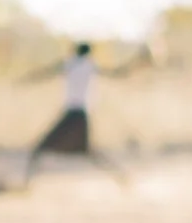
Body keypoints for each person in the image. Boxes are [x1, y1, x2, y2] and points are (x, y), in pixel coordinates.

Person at [23, 42, 132, 184]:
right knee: (88, 152)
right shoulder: (90, 65)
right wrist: (137, 63)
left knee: (40, 148)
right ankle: (119, 175)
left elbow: (46, 72)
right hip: (81, 116)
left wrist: (27, 79)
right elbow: (117, 73)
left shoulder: (70, 63)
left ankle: (26, 182)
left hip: (73, 114)